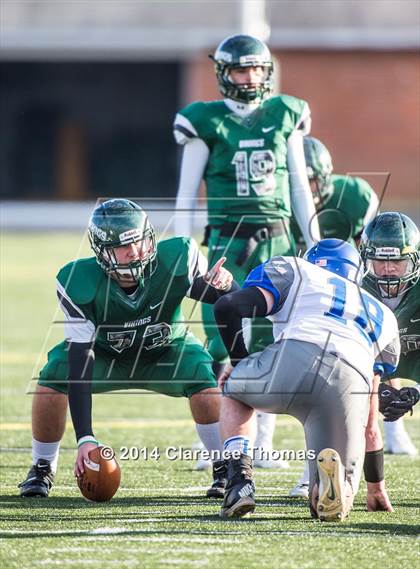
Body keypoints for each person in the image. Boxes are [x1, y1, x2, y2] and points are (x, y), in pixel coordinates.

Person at [18, 199, 238, 500]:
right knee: (52, 378)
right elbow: (81, 357)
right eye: (124, 247)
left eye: (140, 241)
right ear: (102, 251)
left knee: (204, 380)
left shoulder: (176, 257)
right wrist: (85, 438)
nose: (135, 252)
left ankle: (222, 467)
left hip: (166, 349)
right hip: (106, 356)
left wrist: (225, 285)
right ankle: (42, 466)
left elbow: (229, 299)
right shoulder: (78, 281)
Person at [173, 33, 320, 468]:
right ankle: (219, 448)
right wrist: (186, 256)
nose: (250, 76)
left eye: (257, 68)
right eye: (241, 68)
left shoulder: (285, 113)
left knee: (275, 336)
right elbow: (186, 196)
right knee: (220, 340)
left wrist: (315, 242)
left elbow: (298, 186)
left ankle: (264, 444)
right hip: (226, 243)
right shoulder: (205, 120)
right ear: (223, 73)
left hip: (276, 239)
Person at [213, 238, 400, 520]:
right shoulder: (384, 316)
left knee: (234, 389)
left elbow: (227, 306)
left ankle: (240, 481)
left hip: (295, 356)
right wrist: (375, 487)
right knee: (333, 500)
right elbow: (371, 425)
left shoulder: (297, 270)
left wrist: (241, 364)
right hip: (351, 380)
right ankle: (334, 490)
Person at [360, 211, 420, 441]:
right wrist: (377, 387)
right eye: (380, 261)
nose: (388, 268)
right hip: (370, 361)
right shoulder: (353, 285)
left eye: (397, 261)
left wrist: (415, 392)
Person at [291, 136, 379, 250]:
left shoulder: (354, 196)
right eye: (294, 182)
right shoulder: (275, 202)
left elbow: (369, 255)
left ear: (324, 177)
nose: (303, 188)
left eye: (310, 181)